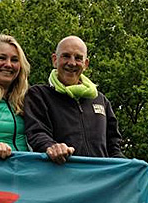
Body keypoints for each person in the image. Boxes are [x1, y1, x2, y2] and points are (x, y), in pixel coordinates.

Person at [24, 35, 124, 164]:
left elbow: (114, 145)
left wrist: (126, 166)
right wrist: (51, 147)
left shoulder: (100, 100)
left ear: (85, 64)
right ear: (55, 60)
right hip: (60, 176)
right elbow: (36, 132)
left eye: (78, 58)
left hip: (100, 179)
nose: (72, 63)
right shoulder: (39, 95)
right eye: (66, 56)